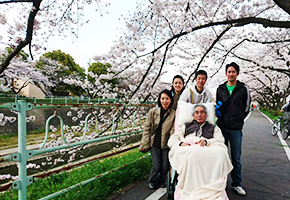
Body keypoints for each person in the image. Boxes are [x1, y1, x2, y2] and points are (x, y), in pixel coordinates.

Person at [168, 104, 233, 200]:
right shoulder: (186, 126)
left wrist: (207, 141)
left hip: (208, 147)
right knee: (194, 153)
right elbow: (172, 139)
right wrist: (181, 143)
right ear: (193, 115)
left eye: (202, 112)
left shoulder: (214, 128)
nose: (199, 115)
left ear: (206, 115)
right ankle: (193, 187)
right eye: (196, 112)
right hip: (191, 146)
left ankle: (213, 186)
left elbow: (220, 140)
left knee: (220, 154)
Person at [215, 62, 251, 196]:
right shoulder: (220, 89)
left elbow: (247, 108)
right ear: (226, 73)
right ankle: (221, 184)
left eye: (233, 72)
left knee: (236, 158)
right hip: (222, 127)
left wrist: (239, 118)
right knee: (221, 157)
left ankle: (236, 183)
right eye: (229, 72)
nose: (231, 74)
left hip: (236, 129)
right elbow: (218, 106)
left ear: (237, 73)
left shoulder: (243, 89)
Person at [139, 89, 175, 189]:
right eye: (162, 98)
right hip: (154, 143)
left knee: (165, 166)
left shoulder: (173, 114)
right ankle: (152, 180)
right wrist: (145, 144)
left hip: (166, 144)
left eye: (167, 98)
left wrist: (173, 144)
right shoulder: (153, 112)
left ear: (171, 100)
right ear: (159, 100)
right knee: (157, 166)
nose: (165, 101)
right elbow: (147, 128)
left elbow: (173, 130)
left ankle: (162, 180)